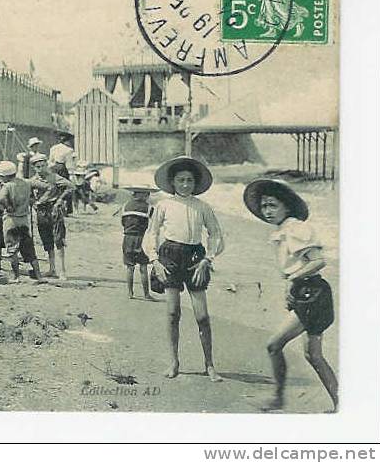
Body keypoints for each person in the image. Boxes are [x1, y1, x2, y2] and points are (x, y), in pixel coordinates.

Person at [243, 179, 337, 412]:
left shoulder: (295, 229)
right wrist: (291, 285)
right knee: (313, 355)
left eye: (272, 206)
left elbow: (318, 261)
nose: (267, 211)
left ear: (287, 206)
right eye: (264, 207)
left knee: (274, 345)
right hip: (310, 293)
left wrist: (292, 280)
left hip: (312, 294)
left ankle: (277, 398)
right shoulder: (284, 230)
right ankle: (341, 403)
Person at [151, 156, 225, 382]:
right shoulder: (163, 205)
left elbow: (216, 234)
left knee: (202, 316)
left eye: (189, 180)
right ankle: (174, 362)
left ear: (195, 183)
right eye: (180, 180)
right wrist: (155, 260)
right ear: (172, 182)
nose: (185, 184)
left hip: (195, 257)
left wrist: (208, 259)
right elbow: (152, 233)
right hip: (170, 255)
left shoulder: (203, 207)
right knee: (173, 313)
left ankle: (209, 365)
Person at [0, 161, 43, 282]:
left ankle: (16, 276)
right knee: (29, 248)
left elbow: (0, 199)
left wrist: (7, 206)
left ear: (5, 176)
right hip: (24, 220)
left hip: (11, 220)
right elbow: (40, 190)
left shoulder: (7, 186)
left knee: (12, 250)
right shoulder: (26, 183)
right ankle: (39, 276)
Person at [29, 155, 74, 279]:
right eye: (38, 167)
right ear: (34, 168)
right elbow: (29, 195)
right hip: (41, 211)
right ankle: (52, 269)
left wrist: (60, 200)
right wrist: (33, 203)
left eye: (43, 165)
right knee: (47, 240)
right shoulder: (32, 180)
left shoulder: (54, 177)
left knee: (58, 239)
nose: (41, 168)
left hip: (54, 209)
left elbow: (71, 186)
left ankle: (62, 270)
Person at [120, 186, 159, 300]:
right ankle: (146, 294)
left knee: (130, 267)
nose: (148, 196)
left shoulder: (125, 206)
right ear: (141, 194)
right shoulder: (148, 208)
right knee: (143, 267)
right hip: (141, 239)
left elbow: (123, 222)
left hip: (127, 239)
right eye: (147, 194)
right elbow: (154, 223)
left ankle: (130, 293)